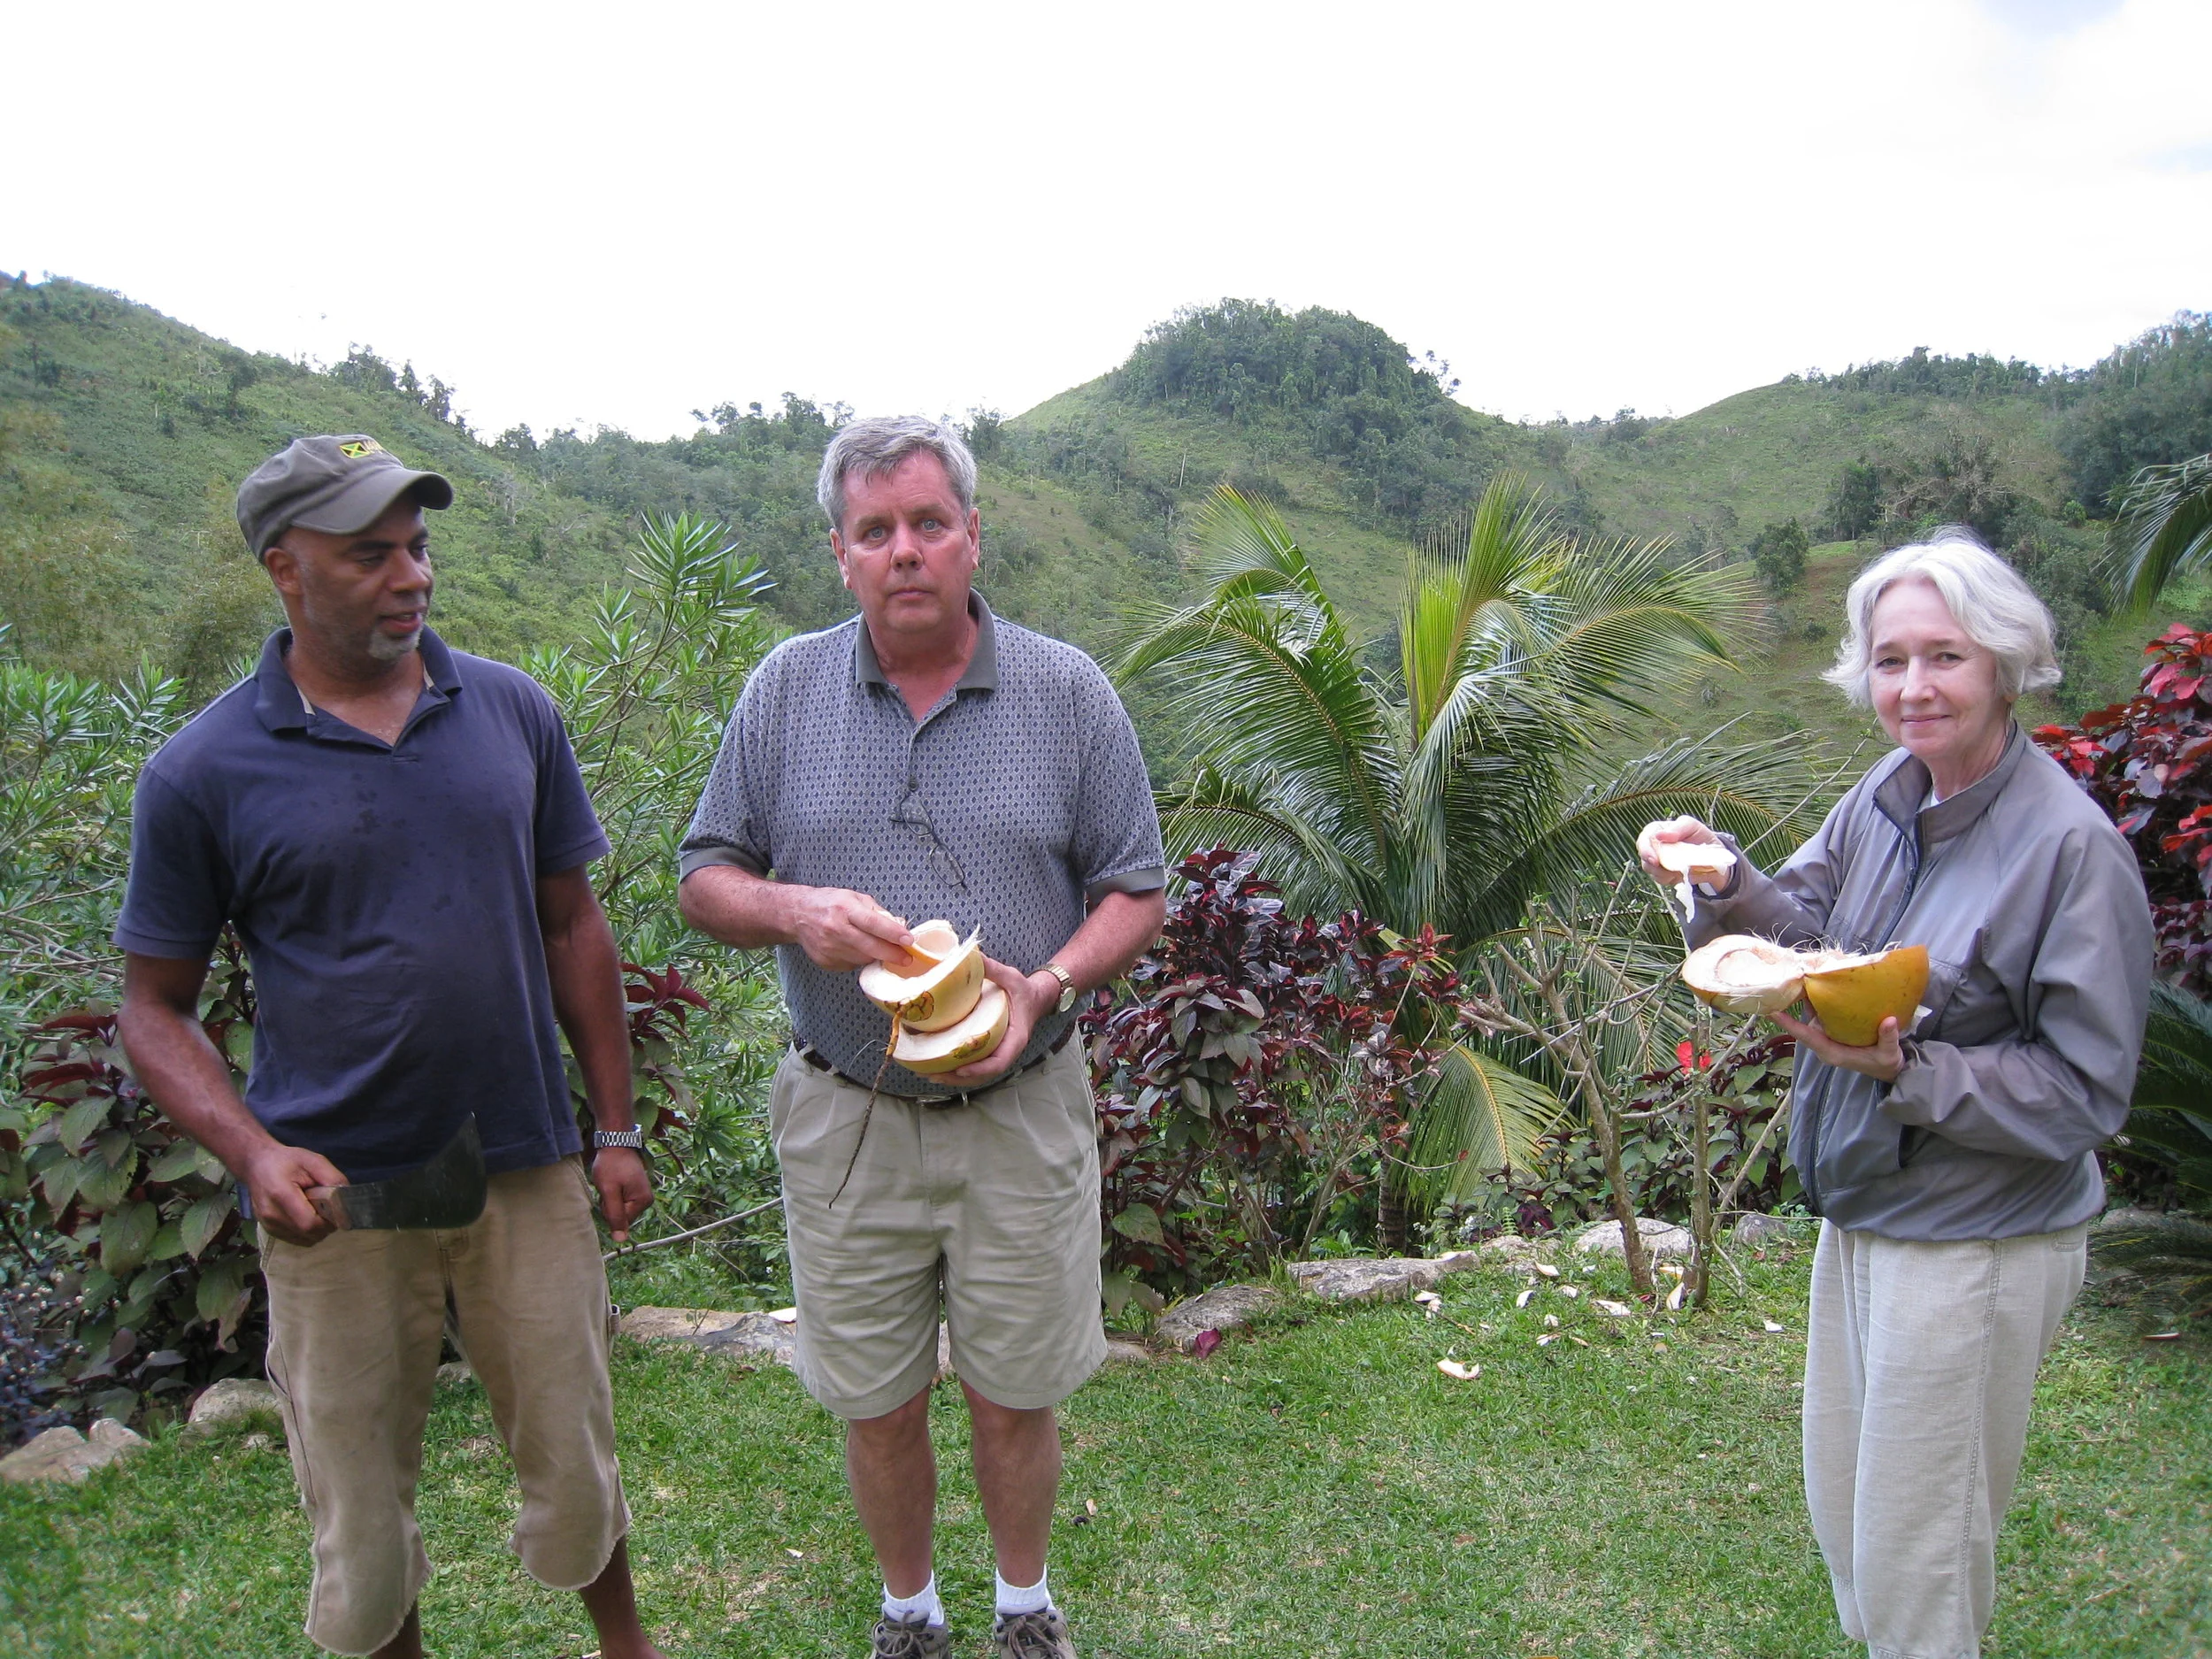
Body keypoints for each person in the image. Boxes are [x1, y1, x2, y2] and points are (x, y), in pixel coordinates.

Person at [114, 434, 664, 1659]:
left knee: (575, 1453)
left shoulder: (512, 709)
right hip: (336, 1196)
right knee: (358, 1501)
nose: (409, 574)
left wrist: (614, 1125)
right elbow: (152, 1009)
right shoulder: (200, 771)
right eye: (370, 554)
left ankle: (628, 1645)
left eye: (416, 546)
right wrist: (253, 1152)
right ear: (284, 570)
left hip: (522, 1161)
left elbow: (573, 921)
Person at [679, 416, 1165, 1659]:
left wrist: (1045, 983)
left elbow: (1137, 888)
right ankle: (909, 1609)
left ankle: (1023, 1601)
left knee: (1016, 1389)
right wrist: (793, 908)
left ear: (972, 535)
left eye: (928, 523)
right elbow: (705, 877)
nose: (906, 551)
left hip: (1023, 1104)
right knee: (877, 1395)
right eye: (876, 530)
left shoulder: (1067, 690)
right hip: (848, 1108)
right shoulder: (784, 690)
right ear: (840, 552)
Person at [1637, 527, 2152, 1659]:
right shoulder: (1889, 789)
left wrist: (1911, 1071)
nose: (1912, 687)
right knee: (1851, 1521)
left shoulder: (2068, 852)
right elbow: (1809, 928)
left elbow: (2084, 1094)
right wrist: (1722, 879)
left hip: (1977, 1237)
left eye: (1944, 657)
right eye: (1888, 660)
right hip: (1866, 1208)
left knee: (1918, 1556)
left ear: (2004, 664)